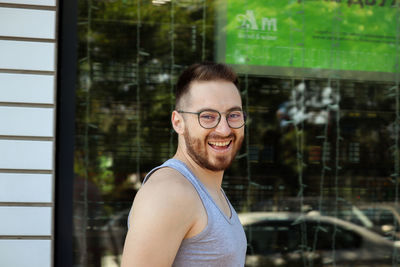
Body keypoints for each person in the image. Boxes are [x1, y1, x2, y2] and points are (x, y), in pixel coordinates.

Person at [121, 62, 247, 266]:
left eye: (233, 115)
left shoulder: (207, 190)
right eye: (207, 116)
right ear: (178, 122)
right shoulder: (169, 192)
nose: (224, 129)